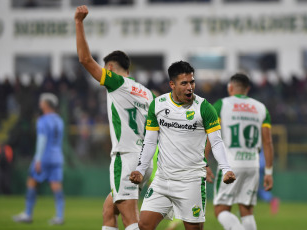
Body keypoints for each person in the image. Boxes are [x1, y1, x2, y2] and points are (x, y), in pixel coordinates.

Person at [75, 5, 155, 230]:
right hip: (144, 160)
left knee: (131, 221)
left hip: (126, 157)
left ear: (110, 68)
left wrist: (79, 22)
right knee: (109, 209)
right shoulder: (147, 92)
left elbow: (84, 59)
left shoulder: (116, 82)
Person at [130, 61, 236, 230]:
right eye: (184, 83)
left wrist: (226, 168)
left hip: (191, 180)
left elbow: (216, 142)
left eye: (192, 82)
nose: (190, 87)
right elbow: (150, 141)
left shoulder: (205, 108)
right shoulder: (158, 105)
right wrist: (140, 170)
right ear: (172, 84)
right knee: (144, 225)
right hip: (162, 180)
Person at [205, 73, 274, 230]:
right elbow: (268, 142)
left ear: (230, 87)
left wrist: (205, 162)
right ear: (247, 89)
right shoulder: (261, 108)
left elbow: (210, 134)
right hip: (253, 165)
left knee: (221, 210)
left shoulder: (222, 105)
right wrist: (269, 172)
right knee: (247, 212)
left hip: (230, 165)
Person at [13, 93, 65, 225]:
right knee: (56, 187)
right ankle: (59, 217)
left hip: (45, 157)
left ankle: (28, 214)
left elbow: (42, 141)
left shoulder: (42, 120)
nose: (40, 104)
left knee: (31, 183)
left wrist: (38, 159)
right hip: (57, 157)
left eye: (41, 102)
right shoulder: (60, 120)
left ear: (46, 104)